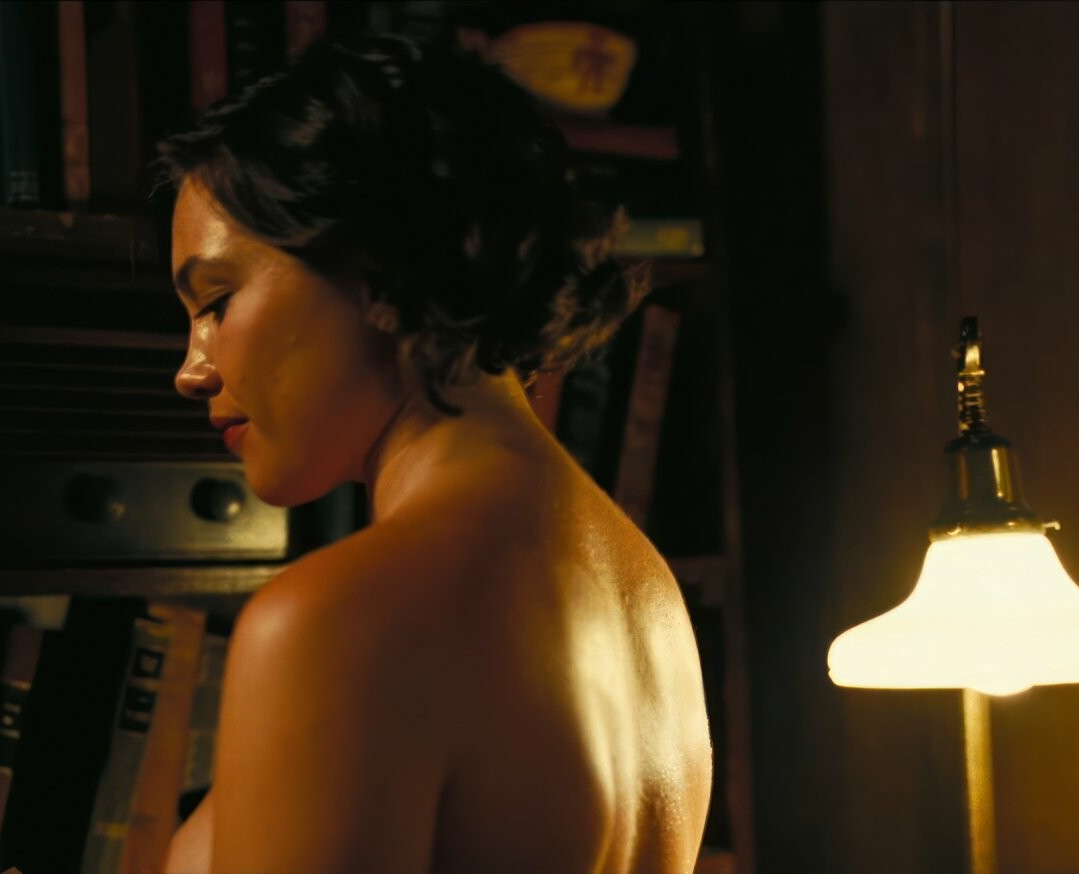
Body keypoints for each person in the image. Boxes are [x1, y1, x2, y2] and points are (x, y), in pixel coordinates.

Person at [154, 33, 712, 874]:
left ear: (379, 268)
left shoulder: (338, 627)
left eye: (216, 302)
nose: (191, 371)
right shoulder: (650, 601)